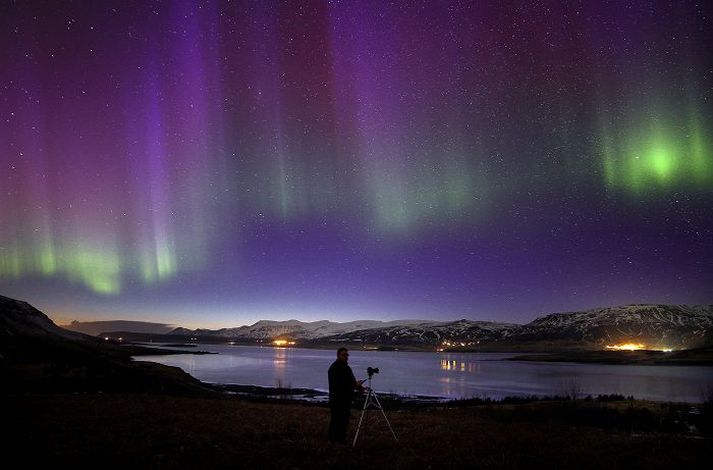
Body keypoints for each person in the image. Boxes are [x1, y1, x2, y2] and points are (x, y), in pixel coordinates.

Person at [327, 347, 364, 443]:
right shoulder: (336, 368)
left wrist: (358, 386)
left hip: (343, 398)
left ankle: (337, 439)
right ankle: (336, 439)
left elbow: (350, 381)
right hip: (339, 399)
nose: (346, 357)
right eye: (344, 355)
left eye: (347, 355)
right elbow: (343, 383)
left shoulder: (345, 368)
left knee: (342, 420)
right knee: (338, 420)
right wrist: (356, 385)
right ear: (338, 355)